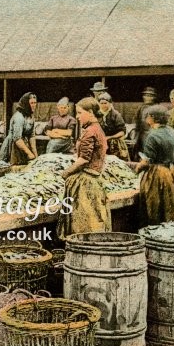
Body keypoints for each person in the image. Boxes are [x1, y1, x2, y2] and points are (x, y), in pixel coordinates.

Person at [57, 97, 111, 241]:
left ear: (91, 113)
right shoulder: (97, 128)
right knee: (95, 221)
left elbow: (84, 159)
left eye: (80, 113)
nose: (77, 116)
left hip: (86, 183)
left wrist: (66, 172)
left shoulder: (90, 131)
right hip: (95, 179)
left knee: (84, 225)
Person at [135, 105, 174, 227]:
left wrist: (137, 169)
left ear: (152, 118)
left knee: (155, 207)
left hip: (158, 175)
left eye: (147, 116)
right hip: (171, 172)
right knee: (170, 205)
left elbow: (147, 161)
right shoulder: (172, 131)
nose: (146, 119)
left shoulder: (152, 136)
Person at [0, 92, 38, 165]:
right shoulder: (19, 117)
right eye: (31, 103)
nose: (34, 105)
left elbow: (32, 136)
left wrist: (35, 155)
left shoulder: (31, 116)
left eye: (35, 103)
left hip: (24, 145)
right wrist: (29, 153)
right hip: (14, 146)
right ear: (26, 104)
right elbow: (17, 139)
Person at [97, 92, 130, 161]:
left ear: (110, 103)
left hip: (115, 144)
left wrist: (109, 137)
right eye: (101, 103)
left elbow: (122, 132)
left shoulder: (116, 115)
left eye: (105, 103)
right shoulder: (97, 115)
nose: (103, 105)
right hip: (100, 143)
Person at [132, 87, 159, 161]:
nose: (147, 97)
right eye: (146, 95)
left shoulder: (156, 108)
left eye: (150, 95)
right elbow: (136, 120)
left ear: (153, 97)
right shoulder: (140, 108)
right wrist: (135, 134)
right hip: (141, 133)